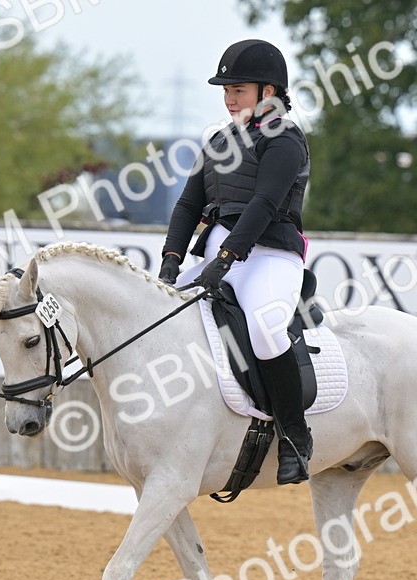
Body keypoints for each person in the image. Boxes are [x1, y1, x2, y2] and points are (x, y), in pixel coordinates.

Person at [159, 39, 313, 485]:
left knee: (265, 332)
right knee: (159, 318)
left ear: (268, 92)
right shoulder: (218, 142)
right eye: (226, 90)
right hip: (219, 256)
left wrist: (226, 258)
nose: (229, 99)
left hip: (270, 257)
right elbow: (188, 206)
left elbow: (264, 203)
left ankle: (295, 436)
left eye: (238, 90)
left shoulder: (285, 140)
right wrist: (170, 263)